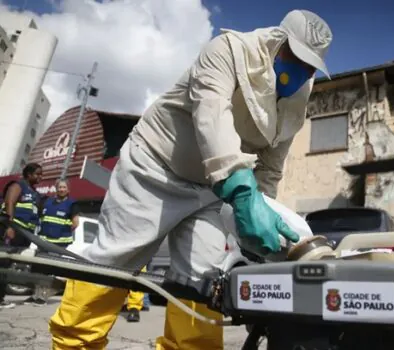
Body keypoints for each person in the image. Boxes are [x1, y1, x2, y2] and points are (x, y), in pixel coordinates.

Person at [49, 9, 332, 350]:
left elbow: (270, 164)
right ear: (278, 42)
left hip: (212, 191)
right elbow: (211, 118)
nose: (301, 71)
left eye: (310, 65)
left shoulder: (298, 99)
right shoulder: (229, 50)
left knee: (203, 281)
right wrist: (243, 194)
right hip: (155, 169)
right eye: (296, 58)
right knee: (115, 263)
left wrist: (258, 209)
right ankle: (74, 343)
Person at [25, 179, 79, 306]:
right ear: (56, 188)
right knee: (38, 268)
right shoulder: (48, 202)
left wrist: (62, 232)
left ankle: (43, 297)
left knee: (49, 269)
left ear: (68, 190)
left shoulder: (72, 204)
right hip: (43, 241)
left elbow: (75, 223)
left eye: (64, 187)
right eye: (59, 187)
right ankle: (35, 295)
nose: (61, 189)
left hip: (58, 243)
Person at [0, 163, 43, 309]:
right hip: (15, 230)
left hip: (26, 234)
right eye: (37, 174)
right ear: (29, 174)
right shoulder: (18, 186)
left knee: (11, 264)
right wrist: (9, 226)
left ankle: (1, 297)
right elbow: (9, 202)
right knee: (4, 263)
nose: (40, 177)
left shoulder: (35, 193)